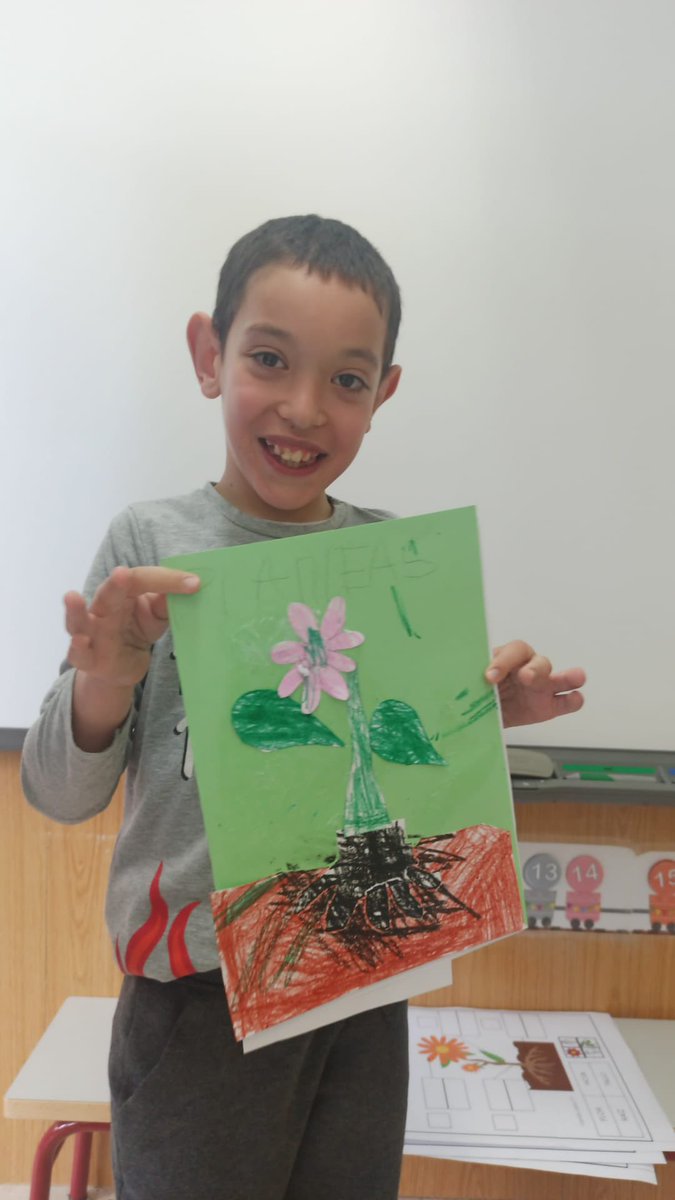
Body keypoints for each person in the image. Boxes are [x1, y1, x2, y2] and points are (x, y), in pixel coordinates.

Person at [21, 215, 586, 1200]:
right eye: (270, 360)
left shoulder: (391, 560)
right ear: (210, 354)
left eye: (348, 380)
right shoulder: (151, 541)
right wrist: (106, 682)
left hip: (365, 971)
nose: (304, 408)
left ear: (384, 395)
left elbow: (401, 765)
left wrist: (490, 714)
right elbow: (60, 795)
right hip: (199, 1000)